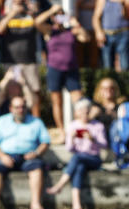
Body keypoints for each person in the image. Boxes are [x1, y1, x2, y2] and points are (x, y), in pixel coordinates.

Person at [0, 96, 50, 209]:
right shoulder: (1, 121)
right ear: (11, 108)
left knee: (37, 168)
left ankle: (35, 203)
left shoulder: (36, 122)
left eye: (23, 107)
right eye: (17, 107)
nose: (20, 110)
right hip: (6, 156)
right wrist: (3, 156)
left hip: (28, 157)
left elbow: (45, 142)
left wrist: (36, 153)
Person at [46, 98, 107, 209]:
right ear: (77, 112)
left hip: (94, 159)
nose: (85, 114)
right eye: (82, 111)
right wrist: (72, 138)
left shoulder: (98, 126)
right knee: (79, 167)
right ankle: (76, 204)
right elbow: (70, 149)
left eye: (87, 111)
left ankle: (60, 185)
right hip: (80, 159)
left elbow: (104, 145)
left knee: (77, 158)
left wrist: (92, 139)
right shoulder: (72, 126)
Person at [38, 7, 87, 143]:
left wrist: (75, 22)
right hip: (54, 69)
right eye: (57, 16)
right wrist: (51, 10)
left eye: (62, 16)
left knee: (79, 101)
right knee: (57, 102)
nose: (60, 18)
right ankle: (62, 131)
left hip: (71, 70)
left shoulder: (71, 30)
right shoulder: (49, 31)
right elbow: (37, 22)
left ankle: (79, 129)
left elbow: (85, 38)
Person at [0, 0, 42, 117]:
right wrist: (12, 13)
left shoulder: (30, 15)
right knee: (10, 92)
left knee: (34, 92)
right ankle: (9, 118)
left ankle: (36, 120)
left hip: (29, 61)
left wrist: (31, 13)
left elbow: (41, 27)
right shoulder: (7, 16)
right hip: (11, 62)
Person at [93, 0, 129, 71]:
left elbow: (127, 17)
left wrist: (123, 5)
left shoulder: (126, 1)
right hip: (107, 35)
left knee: (125, 64)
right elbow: (96, 18)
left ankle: (124, 80)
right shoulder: (103, 1)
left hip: (122, 34)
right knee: (107, 65)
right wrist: (98, 32)